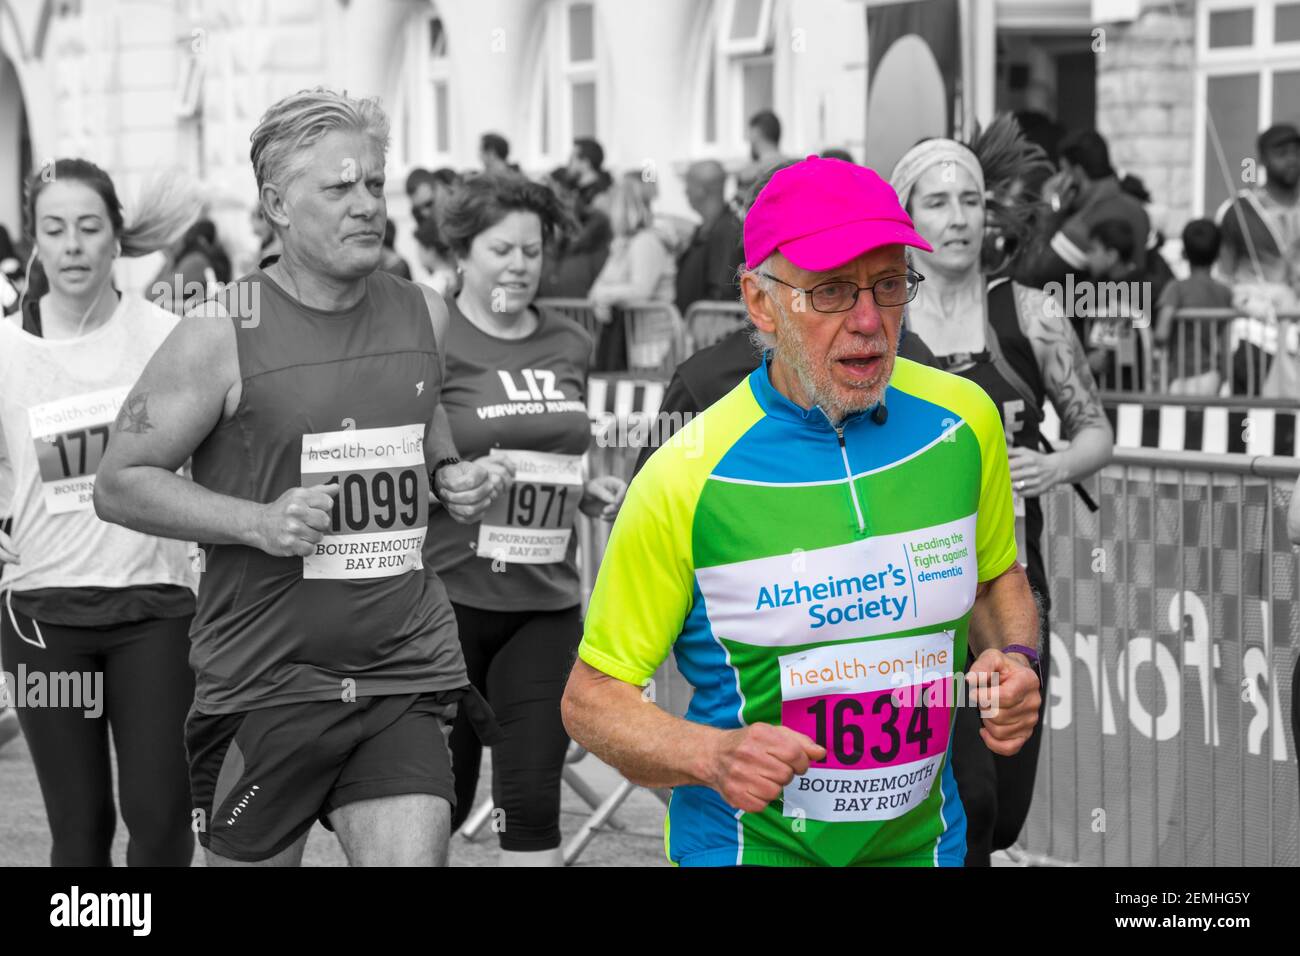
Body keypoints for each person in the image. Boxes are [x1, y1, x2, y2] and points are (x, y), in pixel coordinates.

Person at [563, 155, 1043, 867]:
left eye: (889, 285)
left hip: (926, 848)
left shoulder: (964, 422)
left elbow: (995, 579)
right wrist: (710, 754)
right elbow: (592, 699)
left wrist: (1017, 659)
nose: (869, 321)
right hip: (747, 850)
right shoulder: (684, 475)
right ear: (761, 303)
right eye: (832, 292)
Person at [94, 88, 504, 868]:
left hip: (402, 668)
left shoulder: (425, 313)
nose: (366, 204)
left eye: (374, 183)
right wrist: (256, 522)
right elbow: (119, 481)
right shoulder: (220, 329)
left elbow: (419, 416)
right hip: (264, 683)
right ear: (277, 205)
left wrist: (449, 473)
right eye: (339, 187)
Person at [889, 125, 1113, 867]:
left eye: (971, 201)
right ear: (905, 216)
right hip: (909, 585)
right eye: (936, 203)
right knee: (963, 797)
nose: (958, 218)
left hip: (1012, 578)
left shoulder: (1032, 313)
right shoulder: (881, 320)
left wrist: (1054, 467)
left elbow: (1095, 431)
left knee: (1004, 805)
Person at [0, 158, 200, 865]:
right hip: (42, 617)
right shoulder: (4, 350)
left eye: (88, 227)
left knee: (161, 820)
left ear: (117, 235)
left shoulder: (169, 338)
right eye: (54, 229)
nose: (73, 245)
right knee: (79, 830)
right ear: (35, 240)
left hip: (156, 610)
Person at [427, 173, 626, 866]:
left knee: (532, 803)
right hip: (445, 602)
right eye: (501, 250)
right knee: (439, 803)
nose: (519, 266)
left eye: (532, 251)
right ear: (461, 253)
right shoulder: (433, 339)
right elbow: (394, 462)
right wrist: (449, 484)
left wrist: (586, 491)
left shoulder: (569, 340)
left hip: (544, 603)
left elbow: (557, 451)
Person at [1216, 123, 1300, 394]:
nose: (1292, 159)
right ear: (1262, 159)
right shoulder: (1240, 211)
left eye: (1296, 152)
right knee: (1252, 409)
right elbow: (1224, 276)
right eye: (1282, 153)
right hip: (1256, 332)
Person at [1015, 129, 1150, 289]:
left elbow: (1029, 277)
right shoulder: (1138, 210)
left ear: (1077, 174)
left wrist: (1048, 213)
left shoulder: (1082, 225)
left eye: (1064, 171)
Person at [588, 178, 677, 370]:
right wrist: (602, 297)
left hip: (652, 346)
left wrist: (605, 296)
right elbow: (597, 288)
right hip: (631, 342)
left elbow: (641, 290)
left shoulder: (646, 242)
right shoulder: (623, 244)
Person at [1154, 219, 1232, 395]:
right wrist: (1224, 375)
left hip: (1180, 376)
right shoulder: (1224, 292)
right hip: (1211, 374)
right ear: (1218, 253)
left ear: (1184, 253)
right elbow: (1225, 341)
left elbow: (1162, 332)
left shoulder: (1176, 288)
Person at [1082, 218, 1146, 389]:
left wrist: (1106, 358)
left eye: (1092, 250)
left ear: (1111, 256)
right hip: (1099, 389)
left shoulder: (1138, 288)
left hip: (1128, 389)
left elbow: (1127, 346)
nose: (1087, 258)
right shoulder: (1092, 288)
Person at [674, 160, 744, 316]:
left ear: (701, 190)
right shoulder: (709, 228)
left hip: (711, 326)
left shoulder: (726, 230)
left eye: (688, 184)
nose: (685, 192)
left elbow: (721, 292)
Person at [151, 218, 231, 314]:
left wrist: (169, 260)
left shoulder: (195, 261)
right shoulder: (185, 259)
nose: (166, 246)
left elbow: (151, 295)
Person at [736, 109, 787, 198]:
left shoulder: (748, 174)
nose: (748, 138)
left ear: (755, 133)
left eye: (749, 133)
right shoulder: (796, 166)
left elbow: (742, 205)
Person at [414, 216, 459, 298]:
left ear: (430, 249)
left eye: (420, 247)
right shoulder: (461, 276)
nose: (418, 253)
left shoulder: (428, 287)